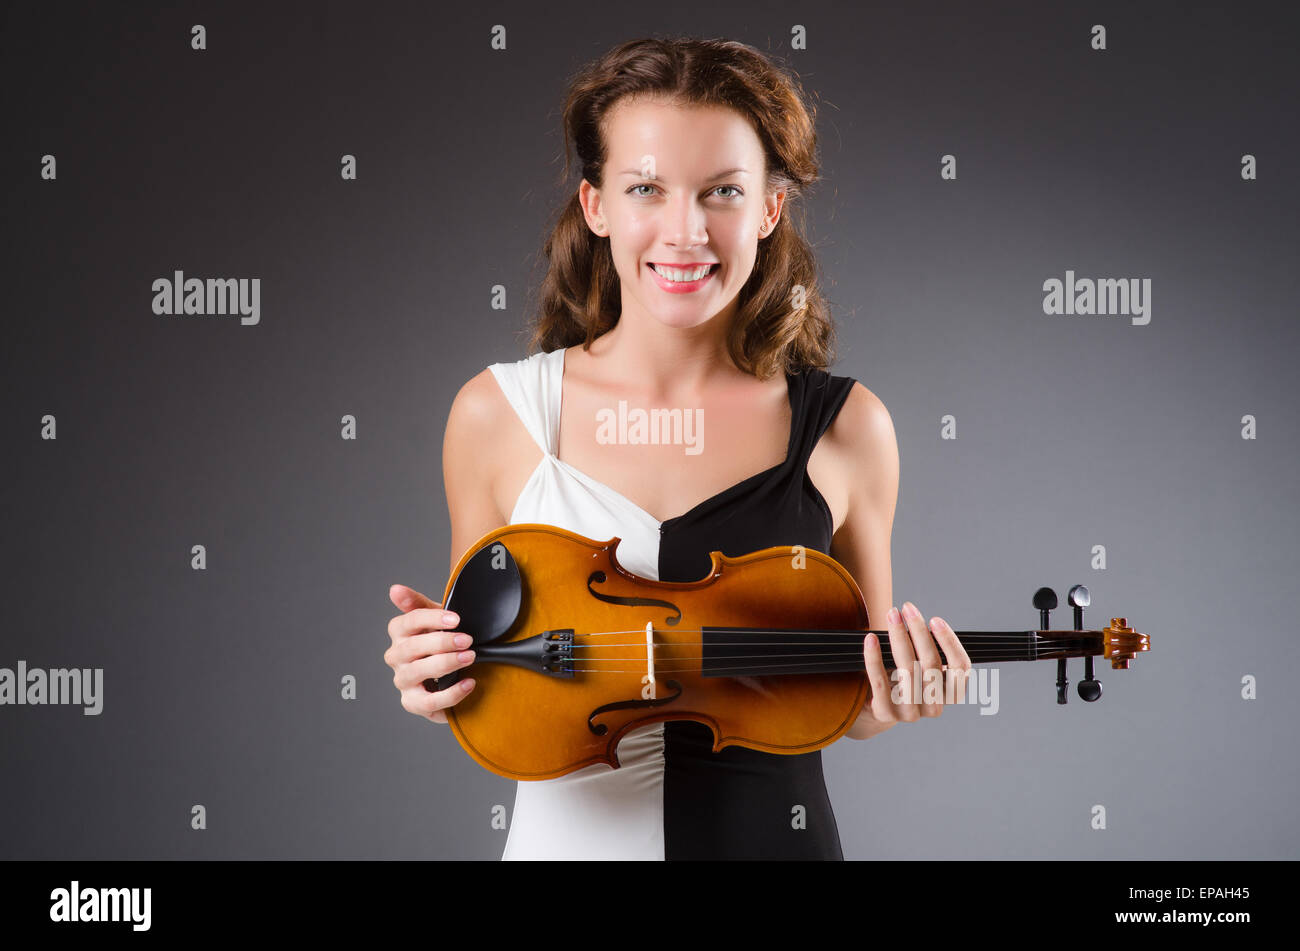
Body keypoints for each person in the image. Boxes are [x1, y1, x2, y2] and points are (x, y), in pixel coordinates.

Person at [384, 36, 972, 860]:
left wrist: (908, 690)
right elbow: (489, 683)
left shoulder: (849, 427)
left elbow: (858, 698)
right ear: (597, 207)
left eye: (722, 191)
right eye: (646, 189)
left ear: (769, 210)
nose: (685, 231)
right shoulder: (498, 415)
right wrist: (435, 678)